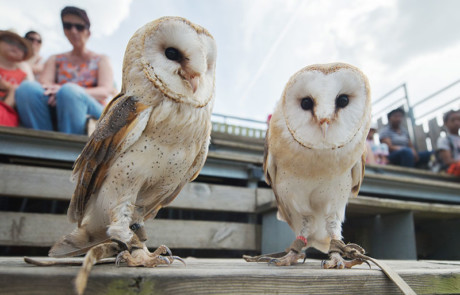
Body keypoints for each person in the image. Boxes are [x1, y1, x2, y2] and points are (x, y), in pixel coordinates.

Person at [15, 6, 114, 135]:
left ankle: (70, 148)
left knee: (69, 92)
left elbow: (105, 91)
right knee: (26, 88)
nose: (73, 31)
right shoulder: (55, 59)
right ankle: (44, 142)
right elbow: (45, 84)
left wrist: (67, 91)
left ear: (88, 32)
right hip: (57, 103)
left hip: (92, 107)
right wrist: (59, 93)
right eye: (68, 26)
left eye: (79, 27)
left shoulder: (101, 59)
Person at [0, 30, 33, 127]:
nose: (15, 47)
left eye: (21, 47)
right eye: (9, 41)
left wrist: (11, 90)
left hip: (8, 115)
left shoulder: (24, 76)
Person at [436, 110, 460, 176]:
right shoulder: (444, 140)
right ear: (445, 123)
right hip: (453, 171)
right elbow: (448, 161)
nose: (457, 123)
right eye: (453, 120)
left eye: (459, 120)